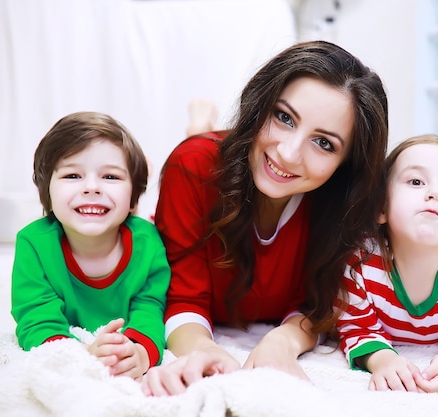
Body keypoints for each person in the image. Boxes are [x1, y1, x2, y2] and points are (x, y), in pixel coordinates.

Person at [141, 40, 389, 396]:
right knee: (200, 148)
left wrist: (283, 342)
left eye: (324, 143)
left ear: (345, 164)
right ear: (260, 105)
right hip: (212, 170)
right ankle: (200, 125)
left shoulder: (339, 205)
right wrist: (206, 351)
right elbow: (183, 297)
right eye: (283, 117)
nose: (289, 153)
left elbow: (316, 305)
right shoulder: (191, 167)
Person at [335, 134, 438, 393]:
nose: (435, 193)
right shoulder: (361, 263)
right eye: (416, 181)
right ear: (381, 207)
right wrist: (383, 360)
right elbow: (355, 329)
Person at [11, 111, 171, 380]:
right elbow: (36, 318)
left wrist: (140, 351)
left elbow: (150, 307)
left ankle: (196, 128)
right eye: (72, 175)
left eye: (110, 177)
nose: (92, 187)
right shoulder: (33, 243)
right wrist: (80, 352)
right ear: (46, 191)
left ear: (133, 197)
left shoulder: (148, 243)